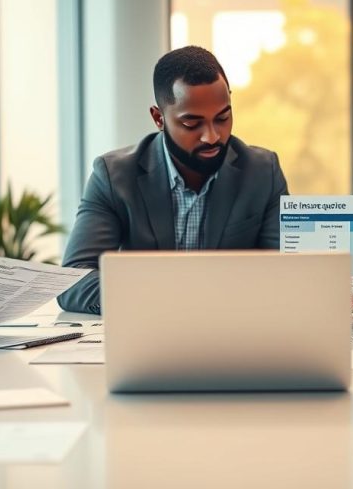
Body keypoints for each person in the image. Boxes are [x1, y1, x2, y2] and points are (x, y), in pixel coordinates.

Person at [58, 46, 289, 314]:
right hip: (150, 337)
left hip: (237, 334)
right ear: (159, 118)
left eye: (223, 118)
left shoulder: (262, 171)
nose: (212, 136)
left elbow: (287, 272)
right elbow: (73, 282)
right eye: (193, 124)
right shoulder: (114, 176)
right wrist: (174, 299)